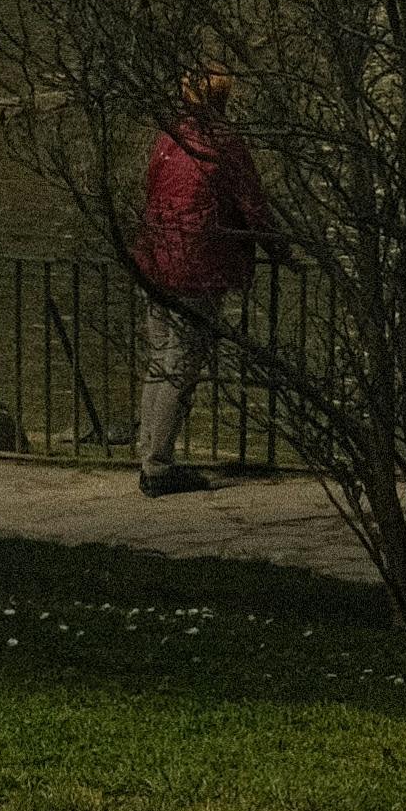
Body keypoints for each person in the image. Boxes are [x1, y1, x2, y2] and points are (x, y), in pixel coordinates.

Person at [131, 66, 275, 494]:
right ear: (222, 100)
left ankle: (148, 453)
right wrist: (281, 251)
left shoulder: (170, 136)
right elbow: (254, 207)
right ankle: (158, 466)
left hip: (157, 258)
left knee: (161, 358)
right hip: (197, 265)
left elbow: (151, 189)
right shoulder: (224, 145)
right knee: (181, 363)